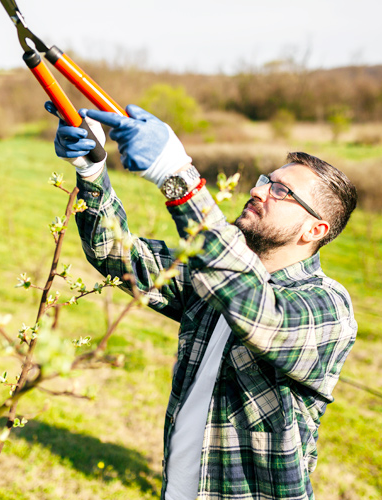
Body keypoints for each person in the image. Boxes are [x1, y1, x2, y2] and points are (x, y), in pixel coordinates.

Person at [45, 102, 358, 500]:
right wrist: (92, 169)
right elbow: (116, 254)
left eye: (282, 191)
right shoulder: (210, 273)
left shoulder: (328, 307)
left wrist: (176, 178)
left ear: (315, 228)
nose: (258, 190)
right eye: (266, 180)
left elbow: (259, 313)